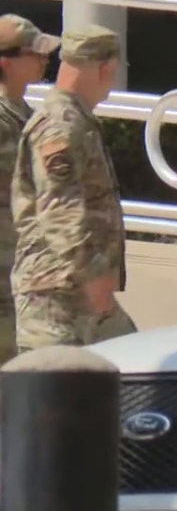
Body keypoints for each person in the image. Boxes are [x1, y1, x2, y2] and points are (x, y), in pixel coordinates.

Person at [10, 23, 137, 352]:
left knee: (132, 366)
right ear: (105, 68)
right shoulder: (60, 125)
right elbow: (60, 211)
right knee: (54, 397)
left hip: (79, 292)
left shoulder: (75, 120)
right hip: (56, 297)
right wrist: (95, 277)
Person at [0, 15, 60, 360]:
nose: (44, 59)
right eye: (34, 53)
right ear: (6, 61)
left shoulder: (25, 114)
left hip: (19, 268)